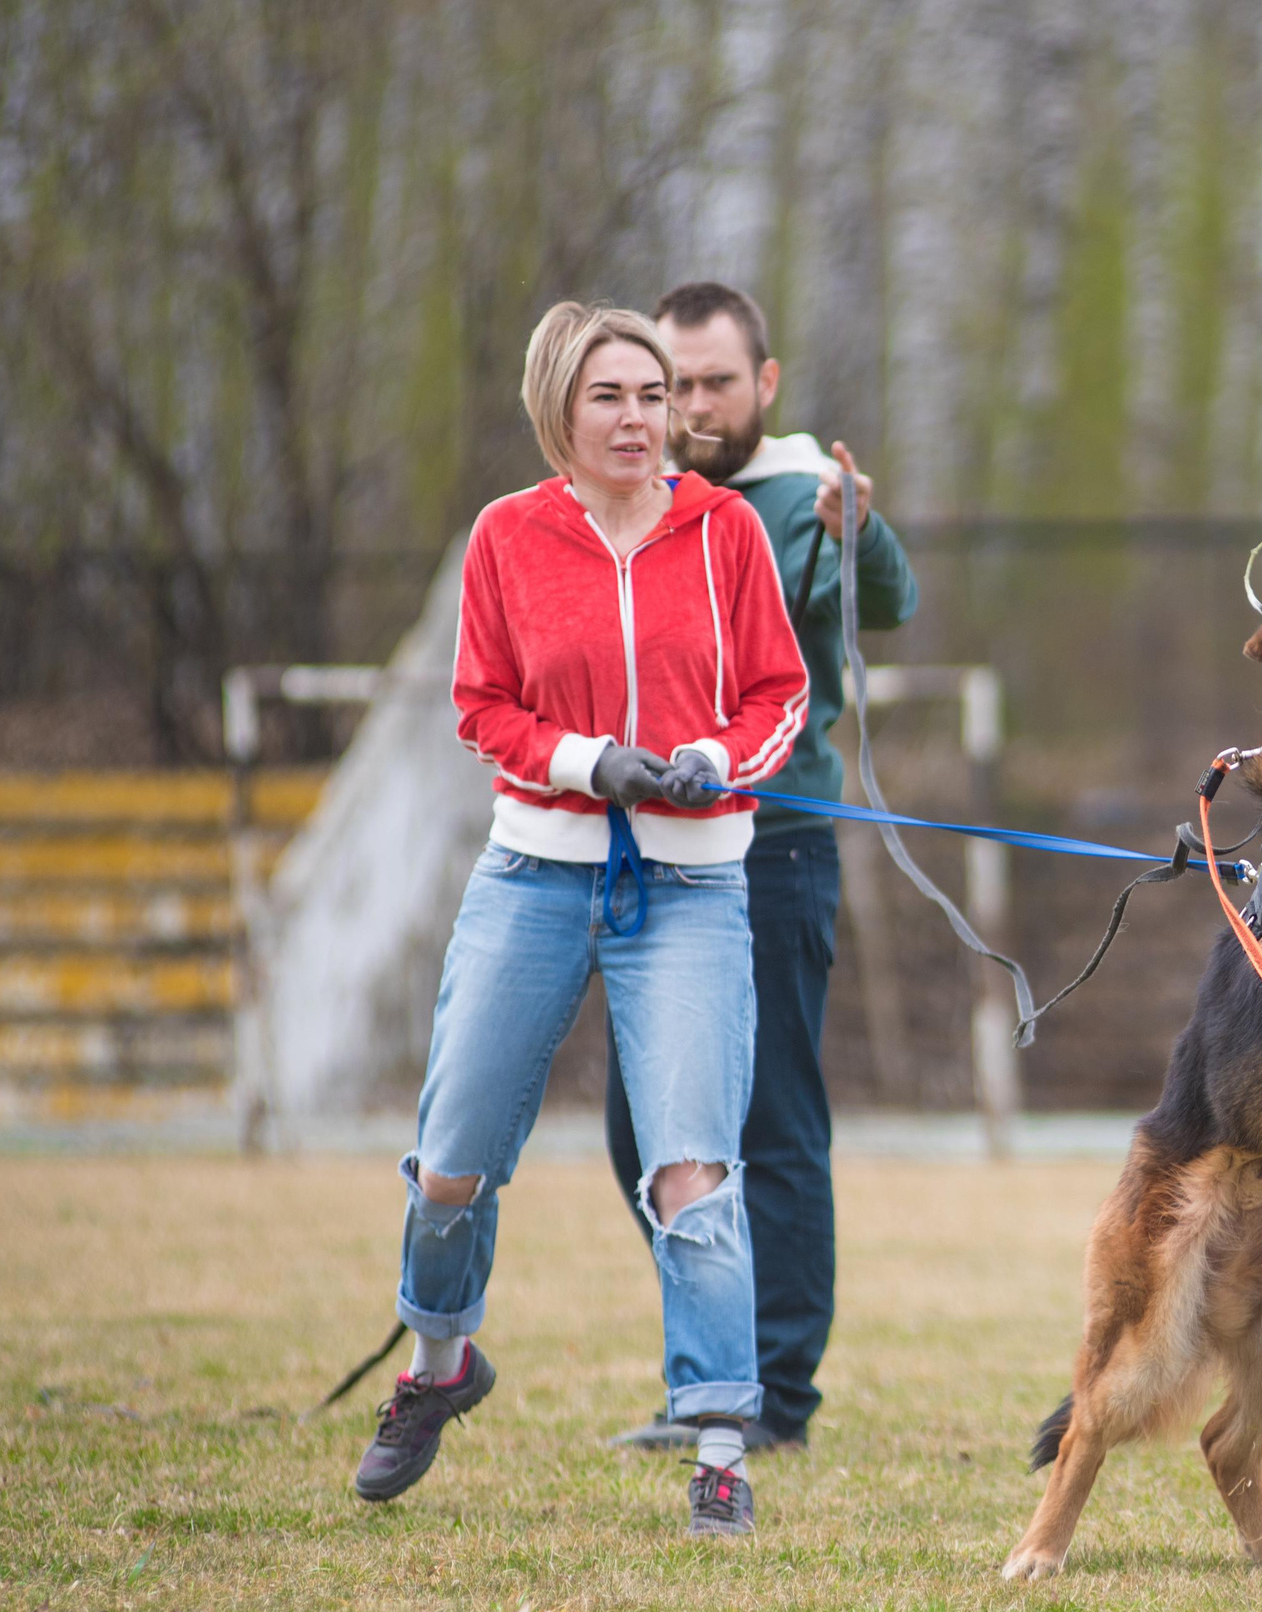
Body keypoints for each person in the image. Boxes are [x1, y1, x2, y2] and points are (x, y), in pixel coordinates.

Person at [351, 301, 810, 1537]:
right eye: (610, 396)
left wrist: (715, 754)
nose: (639, 420)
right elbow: (482, 706)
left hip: (694, 887)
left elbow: (781, 693)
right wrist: (584, 760)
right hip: (534, 874)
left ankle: (720, 1434)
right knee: (451, 1160)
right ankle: (439, 1362)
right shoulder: (506, 537)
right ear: (559, 406)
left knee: (693, 1167)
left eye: (654, 396)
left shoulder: (725, 533)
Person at [602, 282, 918, 1457]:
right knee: (641, 1133)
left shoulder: (800, 494)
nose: (691, 405)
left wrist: (860, 533)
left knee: (771, 1123)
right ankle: (716, 1360)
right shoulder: (632, 498)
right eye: (672, 382)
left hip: (775, 849)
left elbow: (889, 601)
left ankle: (769, 1394)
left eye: (715, 381)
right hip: (645, 853)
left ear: (764, 384)